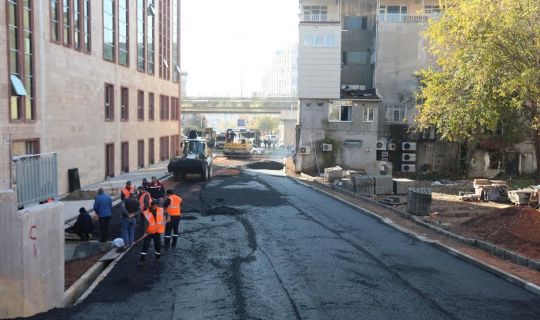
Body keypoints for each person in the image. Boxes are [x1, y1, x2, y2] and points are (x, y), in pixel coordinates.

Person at [139, 201, 167, 266]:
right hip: (149, 232)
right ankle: (141, 259)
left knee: (157, 245)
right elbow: (145, 224)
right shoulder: (146, 213)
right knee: (145, 245)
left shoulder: (160, 209)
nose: (155, 207)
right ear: (151, 206)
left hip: (157, 231)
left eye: (156, 205)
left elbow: (166, 212)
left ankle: (158, 257)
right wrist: (145, 232)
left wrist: (167, 218)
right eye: (154, 206)